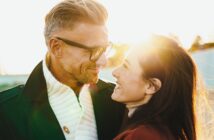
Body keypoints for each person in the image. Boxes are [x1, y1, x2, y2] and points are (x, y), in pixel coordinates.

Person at [0, 0, 125, 140]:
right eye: (94, 50)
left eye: (105, 48)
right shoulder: (5, 112)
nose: (103, 61)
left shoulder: (118, 101)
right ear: (56, 47)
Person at [111, 35, 198, 140]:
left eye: (126, 66)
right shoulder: (165, 131)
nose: (115, 72)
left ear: (151, 86)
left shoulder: (141, 136)